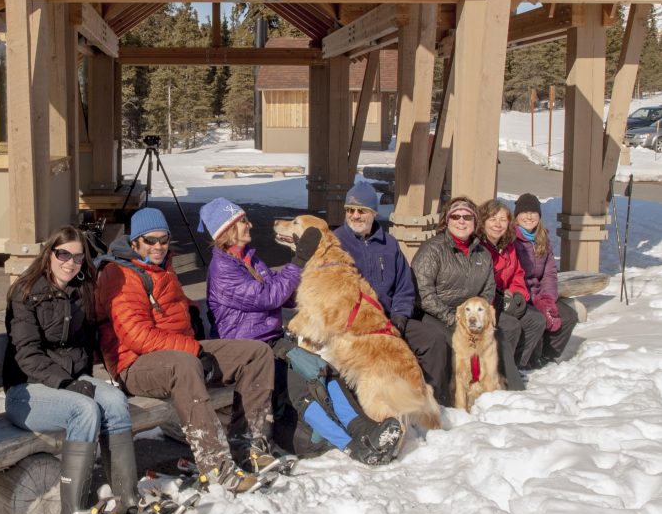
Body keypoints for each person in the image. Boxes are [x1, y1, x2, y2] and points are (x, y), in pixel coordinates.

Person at [201, 196, 403, 465]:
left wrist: (323, 282)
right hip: (245, 350)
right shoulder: (223, 268)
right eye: (241, 222)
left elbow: (283, 294)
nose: (249, 224)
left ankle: (365, 429)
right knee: (302, 384)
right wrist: (298, 261)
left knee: (323, 369)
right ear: (226, 232)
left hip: (270, 341)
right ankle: (352, 446)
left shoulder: (250, 258)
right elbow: (268, 296)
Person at [94, 207, 275, 492]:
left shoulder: (162, 266)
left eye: (163, 240)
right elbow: (136, 336)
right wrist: (193, 350)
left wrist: (193, 321)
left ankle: (248, 444)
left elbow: (173, 310)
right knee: (185, 364)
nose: (158, 247)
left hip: (177, 355)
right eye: (150, 241)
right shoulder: (119, 274)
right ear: (135, 243)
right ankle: (216, 466)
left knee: (257, 353)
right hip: (135, 365)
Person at [2, 226, 138, 514]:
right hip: (27, 390)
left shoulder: (82, 290)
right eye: (63, 254)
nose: (70, 262)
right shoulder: (25, 293)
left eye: (78, 256)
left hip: (72, 381)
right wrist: (66, 382)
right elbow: (27, 355)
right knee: (85, 410)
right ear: (49, 254)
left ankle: (126, 501)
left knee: (116, 402)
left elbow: (90, 340)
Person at [334, 182, 452, 405]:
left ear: (373, 213)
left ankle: (431, 400)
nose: (355, 216)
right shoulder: (336, 242)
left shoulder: (389, 244)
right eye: (350, 210)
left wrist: (400, 315)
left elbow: (404, 286)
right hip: (356, 324)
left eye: (362, 210)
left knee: (433, 339)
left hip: (390, 318)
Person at [411, 194, 525, 393]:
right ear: (447, 221)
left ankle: (510, 391)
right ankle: (453, 394)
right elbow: (423, 294)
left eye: (467, 217)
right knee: (454, 341)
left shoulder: (482, 253)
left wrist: (479, 315)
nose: (461, 221)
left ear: (475, 221)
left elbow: (488, 289)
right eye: (456, 217)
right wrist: (454, 318)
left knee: (499, 336)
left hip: (472, 314)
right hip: (438, 314)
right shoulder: (432, 250)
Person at [477, 198, 546, 369]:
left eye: (502, 220)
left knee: (536, 320)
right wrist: (500, 300)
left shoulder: (508, 245)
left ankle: (516, 365)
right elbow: (480, 282)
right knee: (511, 326)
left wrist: (518, 294)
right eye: (492, 219)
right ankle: (499, 369)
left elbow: (517, 273)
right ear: (483, 222)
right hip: (489, 303)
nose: (498, 224)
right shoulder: (479, 247)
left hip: (508, 299)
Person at [512, 193, 578, 363]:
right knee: (538, 319)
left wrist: (547, 299)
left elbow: (549, 273)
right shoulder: (510, 239)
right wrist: (533, 300)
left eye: (533, 212)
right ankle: (525, 361)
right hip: (521, 295)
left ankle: (547, 356)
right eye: (524, 212)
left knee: (569, 316)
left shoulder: (542, 239)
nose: (529, 216)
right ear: (516, 216)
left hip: (540, 294)